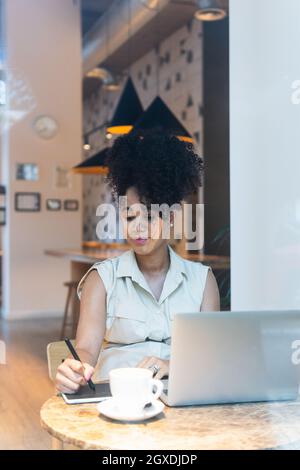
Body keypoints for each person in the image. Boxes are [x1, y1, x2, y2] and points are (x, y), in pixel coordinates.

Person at [55, 129, 220, 393]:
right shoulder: (102, 278)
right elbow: (85, 349)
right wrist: (75, 368)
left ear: (171, 218)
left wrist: (171, 364)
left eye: (150, 217)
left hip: (180, 398)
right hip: (116, 398)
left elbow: (210, 354)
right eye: (130, 217)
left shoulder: (202, 281)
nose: (138, 228)